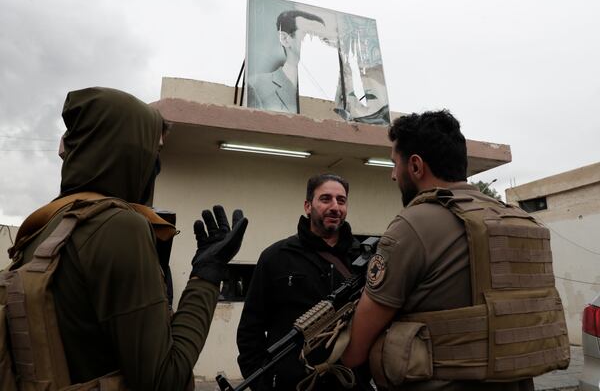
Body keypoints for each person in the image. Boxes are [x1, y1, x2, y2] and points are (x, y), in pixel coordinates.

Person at [0, 87, 248, 390]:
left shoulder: (43, 231)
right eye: (154, 151)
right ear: (130, 151)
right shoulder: (119, 227)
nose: (156, 165)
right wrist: (206, 276)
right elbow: (164, 380)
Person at [341, 110, 568, 390]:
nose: (392, 175)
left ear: (415, 166)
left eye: (393, 164)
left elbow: (354, 351)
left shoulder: (412, 225)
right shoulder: (518, 220)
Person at [237, 174, 372, 390]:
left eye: (341, 200)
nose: (335, 207)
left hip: (349, 382)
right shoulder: (276, 257)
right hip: (293, 384)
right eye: (326, 199)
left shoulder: (366, 261)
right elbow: (249, 330)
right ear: (308, 206)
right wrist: (265, 384)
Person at [247, 10, 326, 114]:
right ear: (285, 39)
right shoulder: (257, 85)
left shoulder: (328, 95)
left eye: (324, 39)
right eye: (310, 35)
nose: (321, 45)